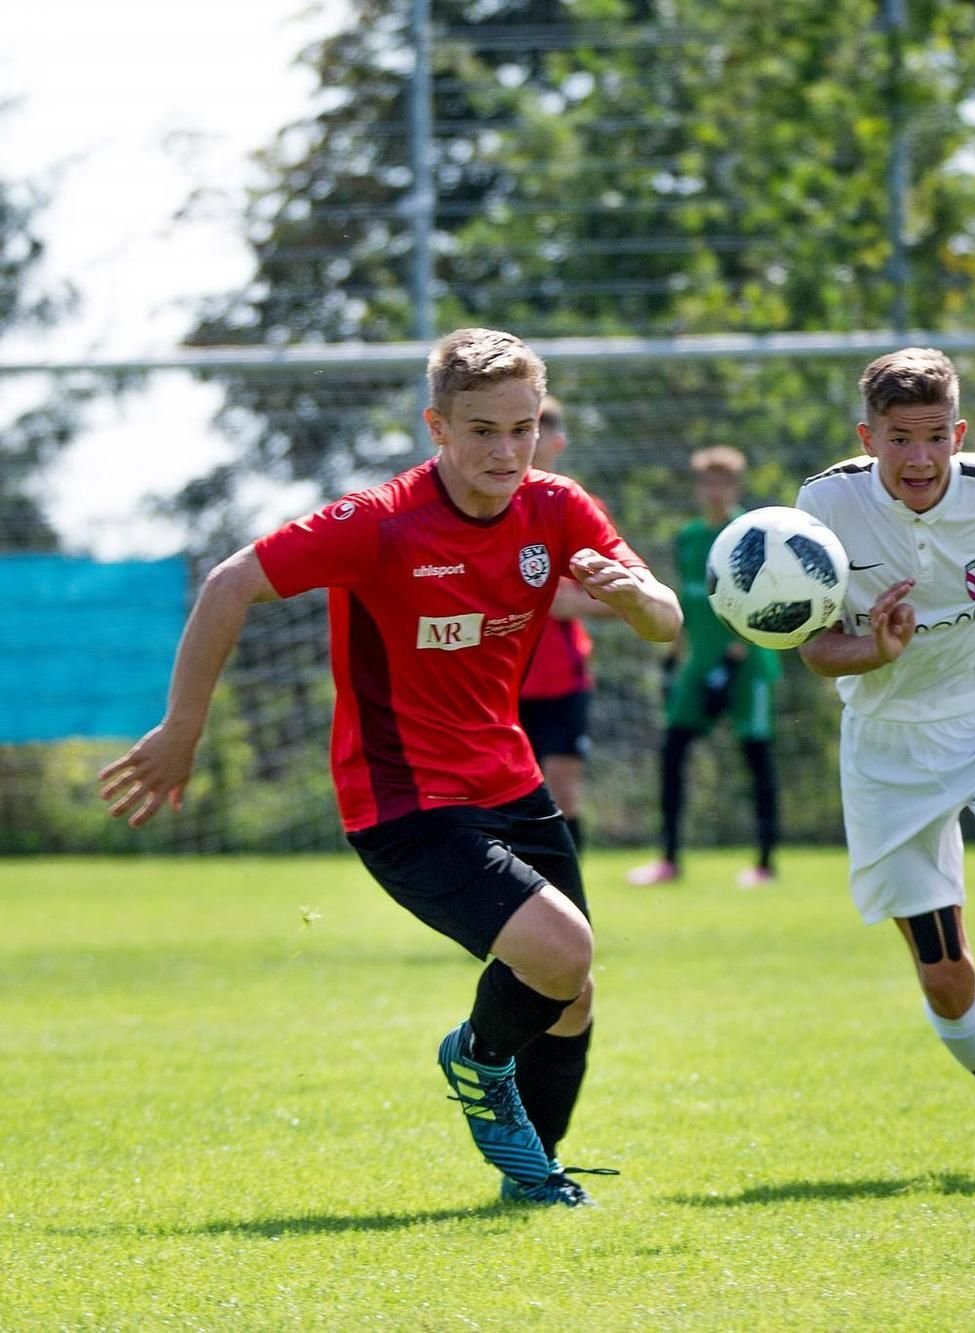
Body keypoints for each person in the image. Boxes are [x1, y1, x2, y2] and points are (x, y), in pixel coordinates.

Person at [97, 328, 682, 1206]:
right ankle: (475, 1060)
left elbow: (666, 621)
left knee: (571, 995)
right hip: (403, 802)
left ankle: (533, 1175)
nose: (506, 450)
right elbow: (229, 583)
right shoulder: (379, 523)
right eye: (482, 429)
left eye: (521, 428)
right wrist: (183, 728)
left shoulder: (558, 509)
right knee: (564, 952)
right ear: (436, 427)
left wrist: (640, 595)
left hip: (510, 779)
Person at [793, 347, 975, 1174]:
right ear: (868, 437)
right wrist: (873, 649)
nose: (918, 458)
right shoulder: (824, 505)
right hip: (890, 747)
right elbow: (817, 651)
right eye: (898, 439)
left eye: (933, 438)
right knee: (945, 978)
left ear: (958, 434)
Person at [626, 446, 784, 890]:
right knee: (673, 752)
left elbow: (766, 599)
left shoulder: (749, 534)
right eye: (706, 482)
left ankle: (765, 863)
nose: (713, 491)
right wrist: (673, 659)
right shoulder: (690, 537)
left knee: (756, 756)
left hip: (746, 663)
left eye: (722, 482)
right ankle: (669, 859)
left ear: (736, 487)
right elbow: (687, 600)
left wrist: (733, 659)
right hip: (699, 663)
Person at [518, 394, 618, 854]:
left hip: (562, 679)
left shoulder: (579, 507)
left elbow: (623, 599)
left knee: (563, 790)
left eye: (534, 435)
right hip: (502, 682)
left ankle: (567, 891)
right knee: (505, 795)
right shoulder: (486, 509)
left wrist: (569, 602)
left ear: (556, 443)